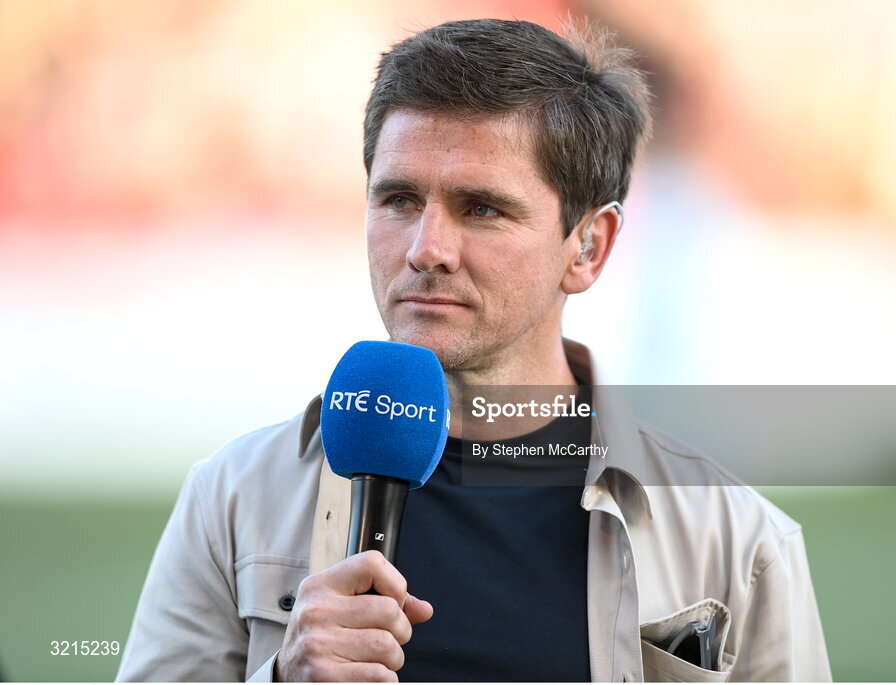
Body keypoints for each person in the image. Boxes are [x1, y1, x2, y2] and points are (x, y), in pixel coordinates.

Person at [117, 18, 831, 682]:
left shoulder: (736, 540)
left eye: (481, 208)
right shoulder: (235, 499)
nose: (427, 248)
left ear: (587, 247)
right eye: (398, 200)